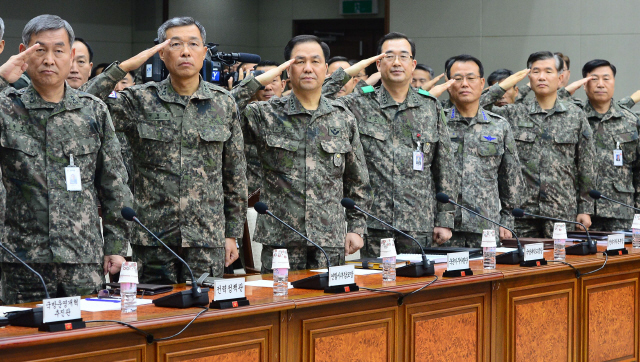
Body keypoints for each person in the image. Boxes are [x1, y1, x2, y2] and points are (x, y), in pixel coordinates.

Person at [96, 17, 248, 283]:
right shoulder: (138, 100)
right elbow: (83, 105)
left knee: (208, 316)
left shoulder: (223, 104)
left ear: (204, 52)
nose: (186, 51)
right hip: (154, 237)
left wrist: (231, 233)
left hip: (206, 238)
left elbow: (235, 176)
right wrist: (122, 69)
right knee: (155, 317)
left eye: (193, 44)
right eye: (175, 44)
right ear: (162, 53)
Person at [0, 15, 132, 304]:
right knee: (25, 345)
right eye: (39, 50)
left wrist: (116, 245)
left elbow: (114, 184)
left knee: (89, 343)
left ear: (71, 55)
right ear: (23, 52)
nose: (49, 59)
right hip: (22, 261)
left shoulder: (93, 111)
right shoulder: (6, 108)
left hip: (83, 259)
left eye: (58, 50)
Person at [243, 35, 371, 272]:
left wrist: (356, 227)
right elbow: (220, 112)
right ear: (287, 70)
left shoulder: (343, 117)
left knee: (328, 307)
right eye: (299, 61)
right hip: (281, 240)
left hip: (329, 241)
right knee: (279, 306)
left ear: (325, 69)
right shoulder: (263, 114)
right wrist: (252, 83)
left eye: (315, 61)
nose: (308, 68)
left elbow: (358, 181)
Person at [323, 32, 457, 255]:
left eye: (403, 57)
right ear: (378, 63)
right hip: (372, 223)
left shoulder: (430, 107)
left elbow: (444, 166)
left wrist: (445, 218)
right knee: (374, 287)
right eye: (389, 56)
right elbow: (318, 99)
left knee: (419, 286)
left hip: (418, 224)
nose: (396, 63)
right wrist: (350, 73)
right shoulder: (357, 104)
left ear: (413, 64)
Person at [488, 51, 596, 238]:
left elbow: (587, 165)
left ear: (560, 77)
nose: (542, 77)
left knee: (563, 264)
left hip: (561, 212)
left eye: (548, 71)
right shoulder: (514, 113)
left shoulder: (575, 115)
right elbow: (475, 107)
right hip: (521, 213)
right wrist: (506, 85)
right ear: (529, 77)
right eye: (536, 72)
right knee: (521, 265)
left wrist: (585, 208)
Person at [441, 55, 523, 247]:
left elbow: (511, 178)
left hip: (486, 226)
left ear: (482, 82)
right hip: (443, 227)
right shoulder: (436, 121)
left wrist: (508, 219)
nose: (464, 84)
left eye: (471, 78)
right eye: (457, 78)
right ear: (448, 82)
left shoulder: (499, 125)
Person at [572, 59, 640, 231]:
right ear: (584, 84)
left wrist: (638, 212)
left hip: (621, 212)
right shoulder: (572, 119)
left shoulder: (631, 121)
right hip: (578, 212)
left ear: (614, 82)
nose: (600, 84)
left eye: (606, 78)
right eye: (594, 79)